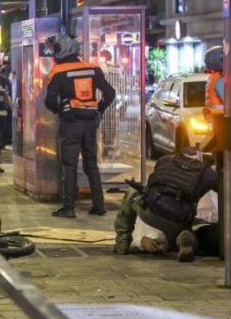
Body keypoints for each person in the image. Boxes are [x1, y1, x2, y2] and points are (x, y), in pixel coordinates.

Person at [44, 34, 115, 218]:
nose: (54, 55)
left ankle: (69, 208)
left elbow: (49, 101)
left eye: (56, 50)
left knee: (69, 165)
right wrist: (99, 108)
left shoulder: (57, 72)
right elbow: (110, 93)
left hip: (71, 123)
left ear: (64, 51)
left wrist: (62, 110)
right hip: (90, 122)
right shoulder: (92, 69)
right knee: (91, 163)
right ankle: (99, 206)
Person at [114, 148, 218, 262]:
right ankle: (185, 242)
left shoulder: (164, 160)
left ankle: (122, 241)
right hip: (179, 220)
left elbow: (151, 185)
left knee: (132, 191)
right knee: (190, 233)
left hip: (151, 213)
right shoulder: (208, 173)